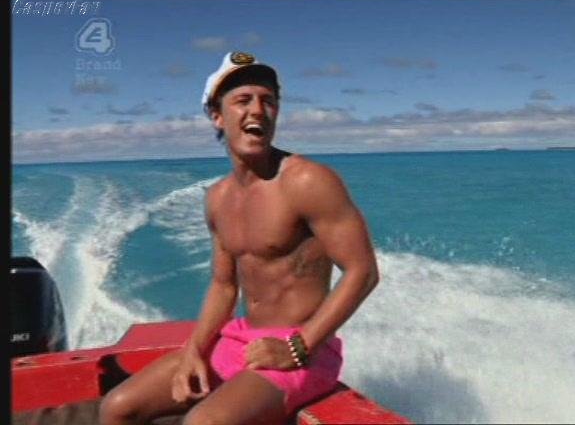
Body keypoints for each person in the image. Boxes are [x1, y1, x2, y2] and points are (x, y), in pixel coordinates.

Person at [99, 51, 379, 425]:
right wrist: (194, 350)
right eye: (243, 100)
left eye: (268, 101)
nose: (257, 110)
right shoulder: (218, 198)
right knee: (118, 407)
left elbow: (362, 270)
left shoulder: (306, 181)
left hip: (304, 350)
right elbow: (224, 285)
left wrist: (299, 346)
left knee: (203, 423)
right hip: (241, 339)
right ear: (217, 115)